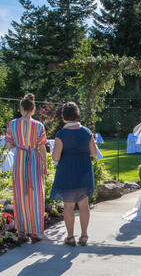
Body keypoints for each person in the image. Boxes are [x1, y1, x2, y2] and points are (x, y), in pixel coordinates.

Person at [50, 102, 97, 246]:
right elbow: (94, 153)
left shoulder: (61, 134)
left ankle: (70, 237)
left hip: (67, 171)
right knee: (84, 205)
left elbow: (56, 157)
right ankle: (84, 236)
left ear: (64, 116)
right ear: (77, 114)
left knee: (68, 206)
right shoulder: (87, 132)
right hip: (83, 170)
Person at [5, 93, 47, 244]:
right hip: (35, 161)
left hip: (20, 161)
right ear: (33, 109)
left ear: (21, 108)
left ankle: (22, 232)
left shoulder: (13, 124)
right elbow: (42, 148)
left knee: (20, 196)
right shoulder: (39, 126)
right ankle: (35, 231)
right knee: (36, 197)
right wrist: (45, 165)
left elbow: (9, 145)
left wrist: (18, 143)